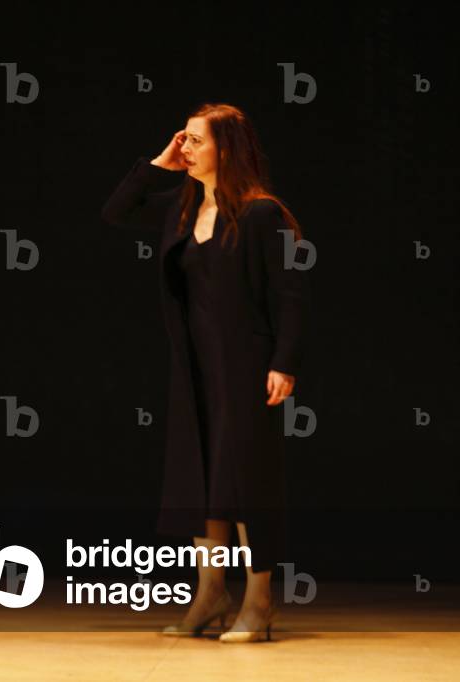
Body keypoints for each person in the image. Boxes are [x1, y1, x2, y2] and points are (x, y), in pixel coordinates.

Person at [100, 103, 310, 643]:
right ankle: (211, 593)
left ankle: (259, 601)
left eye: (196, 140)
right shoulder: (182, 207)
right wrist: (159, 163)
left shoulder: (262, 214)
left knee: (245, 482)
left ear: (226, 148)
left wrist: (284, 363)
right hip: (193, 367)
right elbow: (117, 211)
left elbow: (290, 295)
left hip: (246, 367)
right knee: (200, 482)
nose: (186, 148)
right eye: (183, 139)